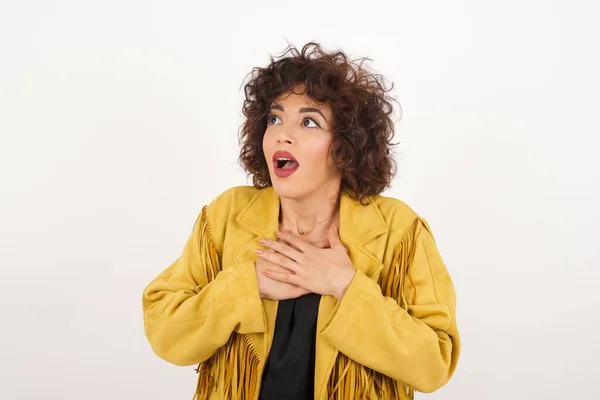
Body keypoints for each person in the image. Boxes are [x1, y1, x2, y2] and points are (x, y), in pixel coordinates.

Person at [142, 42, 460, 400]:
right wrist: (245, 286)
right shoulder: (226, 216)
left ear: (345, 146)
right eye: (275, 118)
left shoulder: (398, 230)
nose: (282, 133)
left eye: (309, 121)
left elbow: (433, 363)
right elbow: (164, 332)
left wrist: (345, 284)